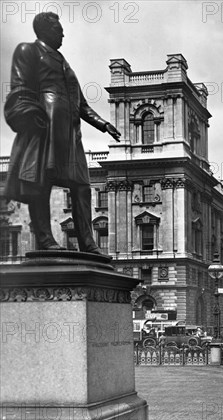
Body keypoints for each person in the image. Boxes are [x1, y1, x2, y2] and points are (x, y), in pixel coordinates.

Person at [3, 12, 121, 253]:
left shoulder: (65, 63)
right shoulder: (28, 51)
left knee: (82, 186)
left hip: (70, 132)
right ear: (44, 30)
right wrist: (31, 114)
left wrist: (102, 124)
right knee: (42, 182)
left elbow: (82, 105)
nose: (63, 33)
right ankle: (46, 239)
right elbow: (20, 88)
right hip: (45, 126)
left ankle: (88, 243)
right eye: (58, 30)